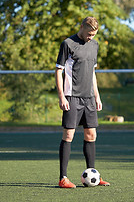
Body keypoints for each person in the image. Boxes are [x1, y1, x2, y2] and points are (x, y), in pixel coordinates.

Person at [55, 16, 110, 188]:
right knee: (69, 135)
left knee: (91, 135)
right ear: (82, 27)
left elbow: (93, 73)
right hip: (72, 96)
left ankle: (92, 173)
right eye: (89, 34)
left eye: (94, 34)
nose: (91, 37)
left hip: (89, 99)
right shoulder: (68, 44)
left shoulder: (95, 46)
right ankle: (63, 178)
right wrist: (62, 96)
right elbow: (58, 71)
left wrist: (97, 96)